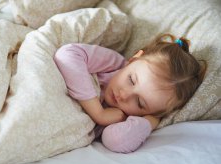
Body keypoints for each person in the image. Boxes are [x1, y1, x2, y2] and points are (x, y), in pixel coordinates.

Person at [54, 34, 206, 153]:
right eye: (131, 80)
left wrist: (150, 122)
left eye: (140, 103)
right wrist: (98, 113)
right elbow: (67, 54)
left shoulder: (127, 119)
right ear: (133, 60)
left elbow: (116, 141)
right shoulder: (114, 65)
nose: (124, 95)